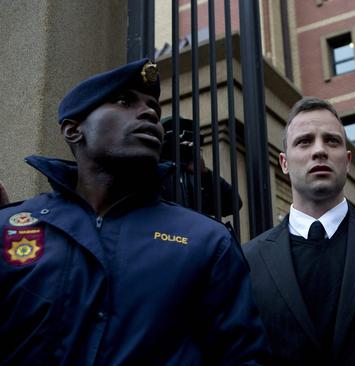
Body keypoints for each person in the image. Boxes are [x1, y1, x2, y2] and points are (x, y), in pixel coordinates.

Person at [0, 59, 269, 364]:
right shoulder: (10, 227)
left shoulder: (207, 241)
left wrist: (200, 169)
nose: (150, 113)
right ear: (74, 130)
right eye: (124, 100)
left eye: (154, 107)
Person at [243, 96, 355, 365]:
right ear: (284, 163)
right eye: (304, 141)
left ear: (347, 161)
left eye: (331, 141)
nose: (319, 151)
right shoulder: (248, 261)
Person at [159, 116, 242, 217]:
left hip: (192, 230)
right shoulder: (154, 170)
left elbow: (233, 204)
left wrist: (204, 173)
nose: (183, 145)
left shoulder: (195, 176)